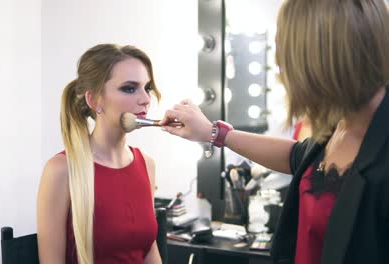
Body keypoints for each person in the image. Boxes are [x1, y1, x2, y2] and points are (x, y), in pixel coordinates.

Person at [161, 0, 389, 263]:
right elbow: (296, 156)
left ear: (321, 58)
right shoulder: (341, 125)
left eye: (286, 57)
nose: (281, 69)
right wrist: (214, 132)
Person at [37, 44, 162, 264]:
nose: (145, 99)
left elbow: (149, 251)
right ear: (94, 100)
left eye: (147, 87)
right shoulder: (61, 171)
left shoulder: (147, 165)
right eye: (130, 88)